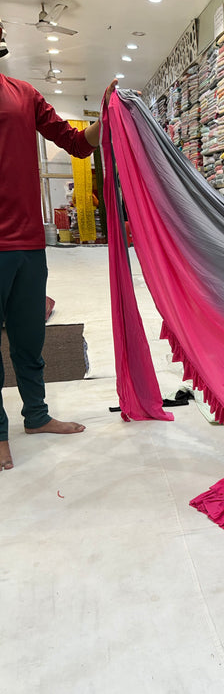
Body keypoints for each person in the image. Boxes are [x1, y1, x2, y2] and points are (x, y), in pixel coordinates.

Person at [0, 24, 116, 471]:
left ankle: (36, 416)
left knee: (29, 338)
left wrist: (107, 122)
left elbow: (73, 141)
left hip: (28, 240)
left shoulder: (23, 93)